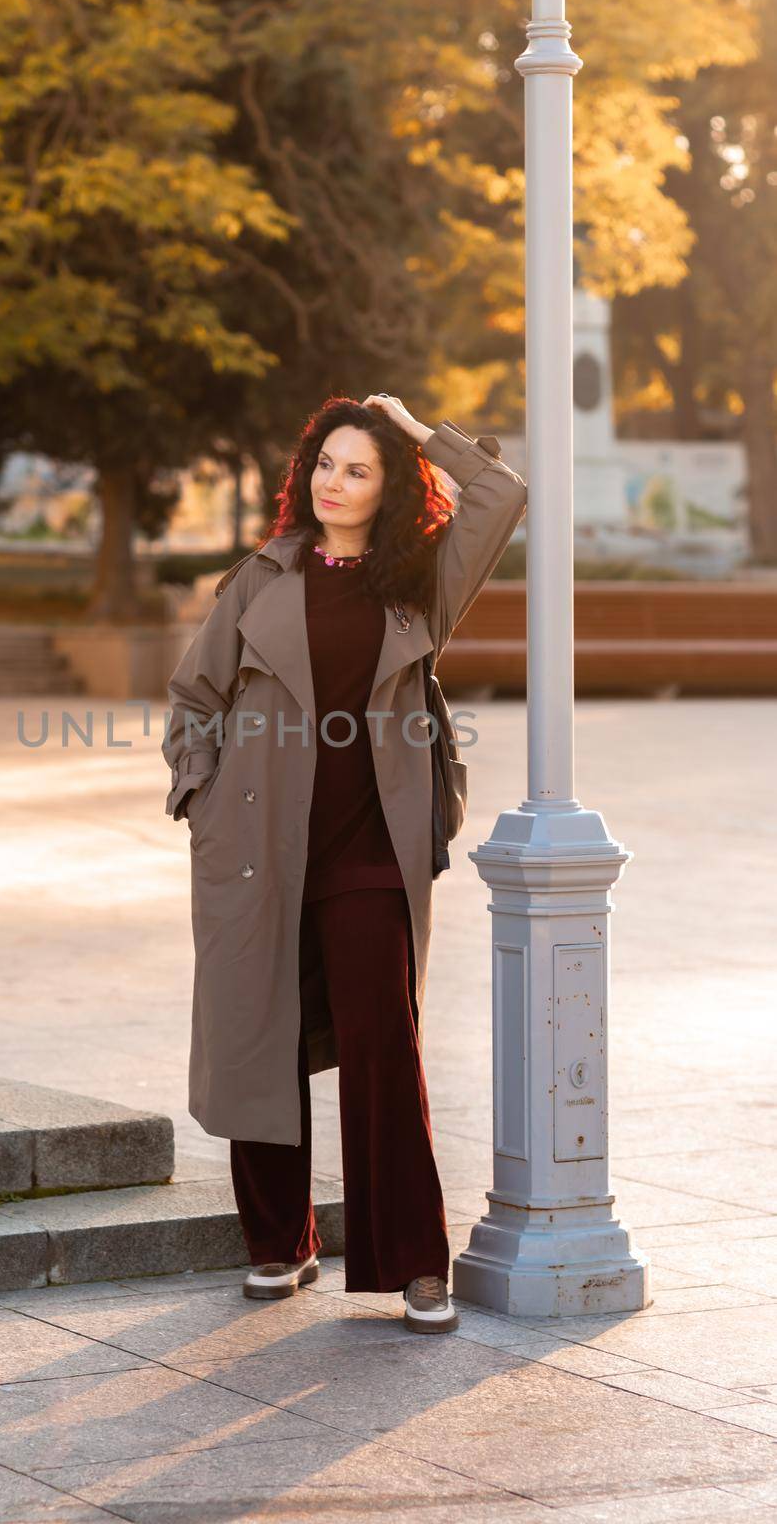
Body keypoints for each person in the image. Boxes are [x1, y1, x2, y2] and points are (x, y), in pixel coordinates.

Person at [162, 392, 527, 1335]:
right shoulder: (260, 577)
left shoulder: (418, 583)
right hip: (255, 849)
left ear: (389, 487)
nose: (334, 482)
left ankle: (411, 1259)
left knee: (383, 1045)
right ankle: (279, 1242)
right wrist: (198, 796)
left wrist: (412, 427)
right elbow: (192, 696)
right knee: (261, 1035)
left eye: (358, 468)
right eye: (325, 463)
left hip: (371, 847)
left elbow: (498, 494)